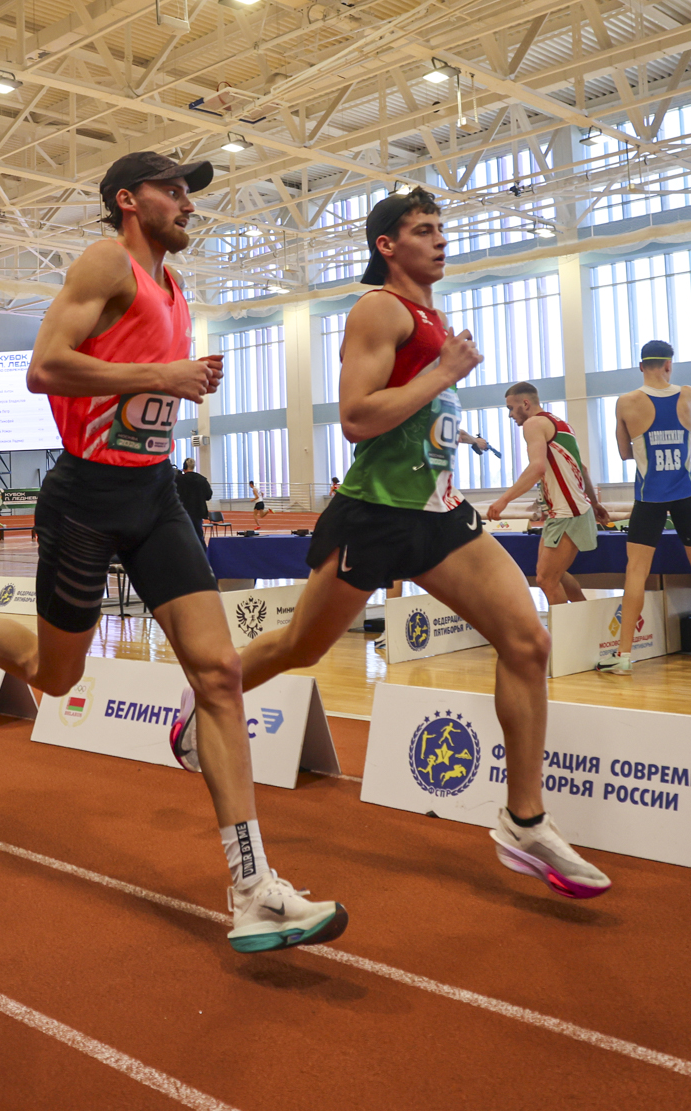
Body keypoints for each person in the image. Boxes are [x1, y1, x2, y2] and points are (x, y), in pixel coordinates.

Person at [0, 151, 348, 953]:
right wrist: (163, 374)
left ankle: (252, 888)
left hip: (154, 496)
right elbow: (45, 368)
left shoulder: (176, 287)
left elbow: (146, 387)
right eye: (172, 190)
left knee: (219, 673)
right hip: (84, 500)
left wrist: (174, 382)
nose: (188, 203)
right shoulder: (107, 262)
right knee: (56, 674)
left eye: (189, 192)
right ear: (128, 200)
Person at [206, 187, 611, 900]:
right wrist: (444, 373)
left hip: (440, 513)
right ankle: (207, 701)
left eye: (441, 227)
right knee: (301, 645)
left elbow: (424, 419)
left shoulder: (433, 317)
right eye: (424, 230)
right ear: (387, 245)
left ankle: (524, 820)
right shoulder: (379, 309)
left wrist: (442, 381)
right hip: (375, 515)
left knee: (528, 643)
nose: (441, 239)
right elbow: (357, 418)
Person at [604, 340, 691, 673]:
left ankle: (624, 656)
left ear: (641, 367)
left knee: (636, 573)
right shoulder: (686, 395)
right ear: (669, 365)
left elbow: (624, 453)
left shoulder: (626, 402)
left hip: (649, 496)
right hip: (685, 495)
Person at [486, 382, 611, 606]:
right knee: (555, 574)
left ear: (525, 403)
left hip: (568, 513)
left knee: (546, 580)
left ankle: (566, 628)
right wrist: (594, 503)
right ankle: (586, 619)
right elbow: (582, 469)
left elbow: (537, 468)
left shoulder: (533, 424)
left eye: (511, 408)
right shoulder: (561, 424)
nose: (510, 415)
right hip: (569, 511)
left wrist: (503, 500)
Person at [175, 456, 213, 543]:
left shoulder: (178, 479)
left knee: (183, 536)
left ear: (184, 467)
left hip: (183, 512)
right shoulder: (202, 479)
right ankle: (202, 551)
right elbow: (208, 495)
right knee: (199, 536)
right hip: (198, 512)